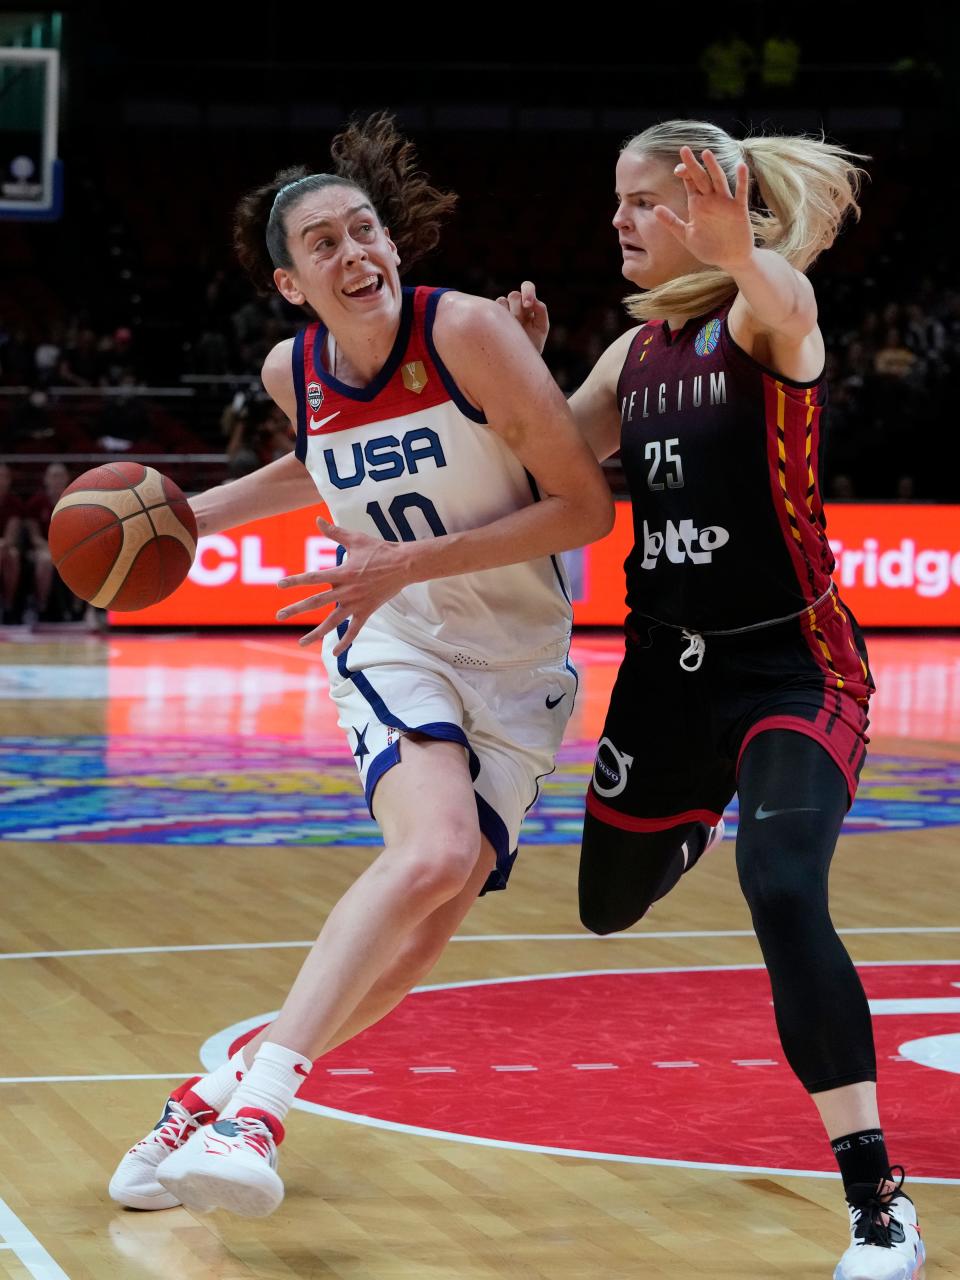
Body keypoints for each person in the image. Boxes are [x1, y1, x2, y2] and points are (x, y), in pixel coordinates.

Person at [108, 114, 613, 1219]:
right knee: (429, 847)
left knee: (431, 914)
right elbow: (319, 465)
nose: (355, 254)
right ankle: (262, 1113)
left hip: (519, 660)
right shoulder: (295, 368)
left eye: (364, 229)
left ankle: (207, 1096)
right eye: (324, 245)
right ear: (291, 283)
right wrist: (188, 517)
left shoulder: (472, 332)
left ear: (393, 239)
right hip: (398, 630)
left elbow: (584, 506)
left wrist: (413, 552)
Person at [497, 121, 924, 1280]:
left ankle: (877, 1202)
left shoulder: (758, 315)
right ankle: (696, 807)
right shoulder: (630, 358)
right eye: (620, 203)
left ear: (706, 207)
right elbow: (539, 462)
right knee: (602, 907)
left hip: (794, 669)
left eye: (644, 202)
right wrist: (518, 379)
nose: (621, 223)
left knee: (783, 888)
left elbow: (785, 300)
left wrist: (745, 251)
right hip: (664, 680)